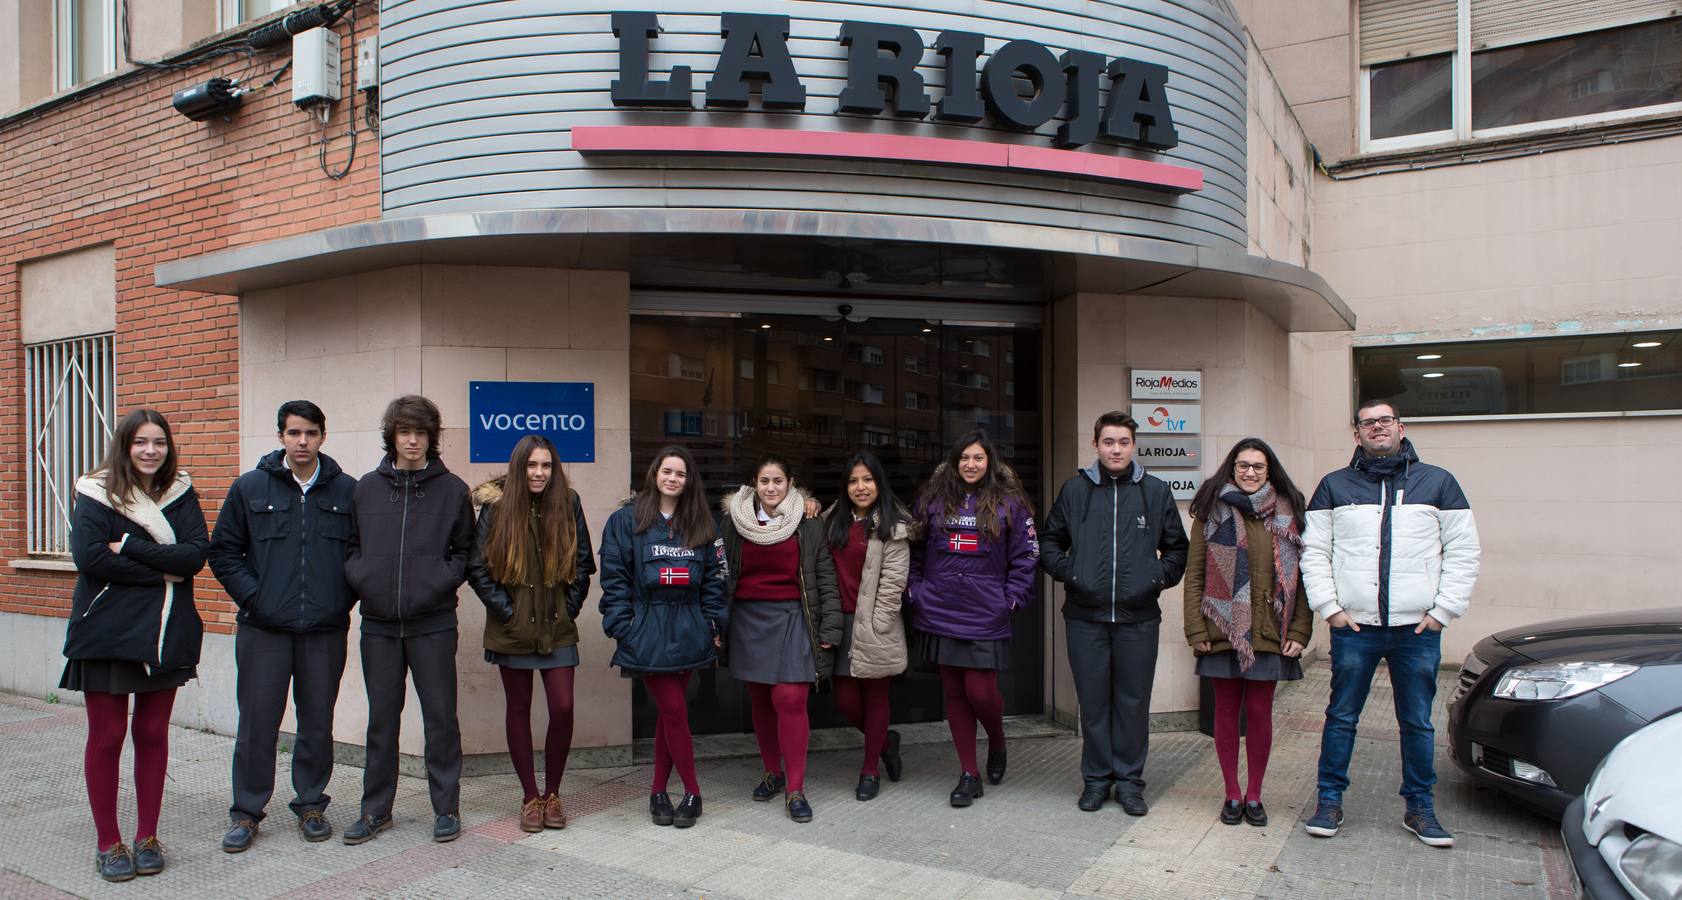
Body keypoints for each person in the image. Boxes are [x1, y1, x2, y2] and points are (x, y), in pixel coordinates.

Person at [1301, 399, 1480, 848]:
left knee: (1417, 722)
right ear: (1356, 433)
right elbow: (1314, 552)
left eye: (1385, 421)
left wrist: (1443, 612)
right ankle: (1328, 800)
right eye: (1367, 422)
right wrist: (1330, 608)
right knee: (1341, 717)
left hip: (1415, 631)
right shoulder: (1333, 486)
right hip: (1354, 628)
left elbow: (1463, 552)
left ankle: (1420, 807)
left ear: (1400, 427)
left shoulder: (1438, 482)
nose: (1377, 427)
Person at [61, 408, 208, 882]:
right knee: (107, 737)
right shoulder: (95, 490)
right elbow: (89, 559)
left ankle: (147, 835)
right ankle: (109, 842)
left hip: (167, 631)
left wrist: (128, 547)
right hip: (105, 631)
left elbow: (194, 557)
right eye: (141, 442)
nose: (150, 451)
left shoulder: (180, 491)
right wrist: (163, 570)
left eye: (159, 443)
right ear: (125, 445)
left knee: (152, 734)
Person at [210, 400, 358, 852]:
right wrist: (258, 599)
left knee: (317, 720)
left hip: (324, 630)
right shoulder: (250, 488)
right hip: (263, 630)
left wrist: (338, 601)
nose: (302, 441)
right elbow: (223, 553)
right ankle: (246, 812)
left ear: (322, 437)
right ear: (280, 437)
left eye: (310, 433)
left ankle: (311, 803)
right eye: (294, 433)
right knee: (257, 723)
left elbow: (358, 558)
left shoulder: (346, 492)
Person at [341, 395, 475, 845]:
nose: (413, 441)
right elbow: (351, 548)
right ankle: (375, 810)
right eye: (405, 432)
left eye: (421, 433)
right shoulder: (366, 488)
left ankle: (446, 809)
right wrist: (364, 580)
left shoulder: (453, 489)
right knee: (382, 720)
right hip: (378, 624)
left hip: (433, 622)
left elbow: (463, 553)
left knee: (441, 718)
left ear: (432, 437)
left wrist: (438, 582)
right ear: (392, 436)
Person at [1040, 411, 1187, 815]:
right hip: (1085, 618)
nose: (1116, 449)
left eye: (1123, 442)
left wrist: (1153, 578)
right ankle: (1096, 779)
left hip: (1138, 619)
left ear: (1134, 445)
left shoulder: (1155, 492)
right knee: (1093, 702)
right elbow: (1049, 543)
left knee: (1133, 702)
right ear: (1096, 445)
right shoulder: (1075, 490)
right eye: (1108, 442)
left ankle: (1129, 783)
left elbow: (1178, 550)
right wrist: (1074, 573)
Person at [467, 435, 596, 833]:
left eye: (546, 466)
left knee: (562, 706)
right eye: (531, 466)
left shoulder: (568, 502)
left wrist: (568, 608)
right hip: (512, 630)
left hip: (557, 629)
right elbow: (478, 569)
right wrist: (508, 613)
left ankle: (553, 792)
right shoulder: (496, 507)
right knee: (518, 710)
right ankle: (530, 797)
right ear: (518, 468)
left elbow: (584, 563)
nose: (539, 473)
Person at [1182, 438, 1312, 828]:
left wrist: (1302, 630)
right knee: (1225, 712)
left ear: (1269, 469)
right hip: (1222, 627)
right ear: (1232, 468)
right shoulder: (1211, 510)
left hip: (1272, 629)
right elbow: (1195, 576)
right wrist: (1195, 628)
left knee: (1259, 713)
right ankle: (1231, 793)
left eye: (1257, 466)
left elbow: (1302, 579)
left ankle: (1254, 794)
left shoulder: (1290, 511)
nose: (1250, 472)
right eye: (1243, 465)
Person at [906, 430, 1039, 808]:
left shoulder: (1011, 502)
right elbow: (912, 549)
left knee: (980, 691)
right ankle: (969, 774)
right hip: (940, 609)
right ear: (953, 461)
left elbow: (1027, 557)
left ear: (990, 462)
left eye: (978, 458)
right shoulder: (931, 499)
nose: (971, 464)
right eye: (964, 457)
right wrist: (915, 590)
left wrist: (1011, 601)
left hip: (986, 613)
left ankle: (997, 742)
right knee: (953, 693)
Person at [599, 446, 728, 829]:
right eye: (667, 471)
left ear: (690, 481)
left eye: (681, 473)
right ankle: (692, 791)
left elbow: (716, 582)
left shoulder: (703, 523)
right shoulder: (626, 520)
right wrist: (624, 627)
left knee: (667, 718)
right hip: (648, 629)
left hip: (689, 628)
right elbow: (614, 578)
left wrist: (711, 624)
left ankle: (658, 791)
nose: (673, 478)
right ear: (655, 473)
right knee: (674, 710)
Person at [719, 457, 842, 824]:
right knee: (759, 697)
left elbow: (825, 578)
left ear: (791, 483)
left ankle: (796, 789)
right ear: (754, 484)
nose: (771, 488)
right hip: (747, 619)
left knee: (789, 698)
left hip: (792, 617)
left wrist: (831, 628)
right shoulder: (734, 522)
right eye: (764, 481)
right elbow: (722, 573)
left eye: (778, 481)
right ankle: (773, 773)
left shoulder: (808, 524)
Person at [822, 451, 910, 801]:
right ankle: (887, 741)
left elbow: (893, 584)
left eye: (868, 480)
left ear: (879, 483)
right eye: (853, 480)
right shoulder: (832, 520)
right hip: (839, 622)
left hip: (875, 623)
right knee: (845, 702)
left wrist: (877, 625)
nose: (861, 487)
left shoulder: (893, 524)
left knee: (875, 700)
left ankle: (870, 769)